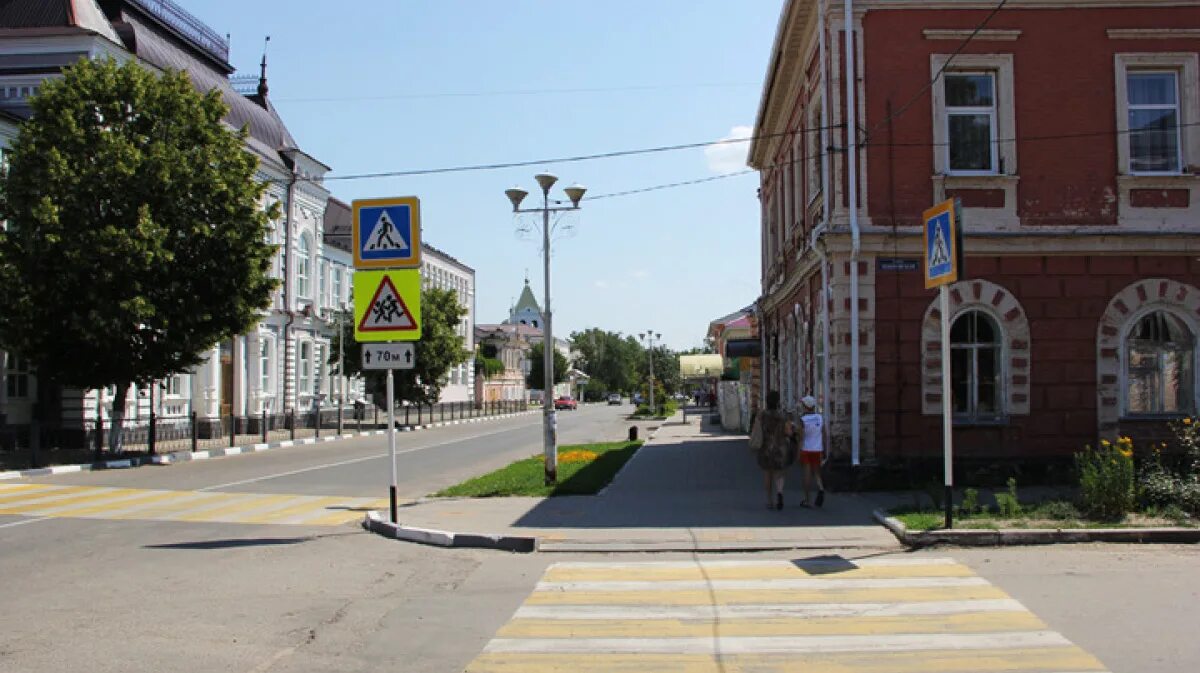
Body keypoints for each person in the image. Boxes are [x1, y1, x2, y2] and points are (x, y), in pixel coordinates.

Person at [748, 390, 795, 510]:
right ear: (778, 402)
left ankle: (770, 500)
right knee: (779, 473)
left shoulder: (761, 415)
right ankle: (779, 492)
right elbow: (788, 432)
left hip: (766, 448)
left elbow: (755, 430)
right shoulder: (783, 416)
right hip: (780, 448)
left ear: (767, 401)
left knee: (767, 473)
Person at [797, 395, 825, 507]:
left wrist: (798, 452)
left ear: (806, 406)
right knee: (817, 472)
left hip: (806, 449)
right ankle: (821, 487)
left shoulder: (803, 420)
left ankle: (807, 500)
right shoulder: (819, 417)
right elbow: (824, 433)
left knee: (807, 474)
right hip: (818, 449)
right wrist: (825, 448)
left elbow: (801, 437)